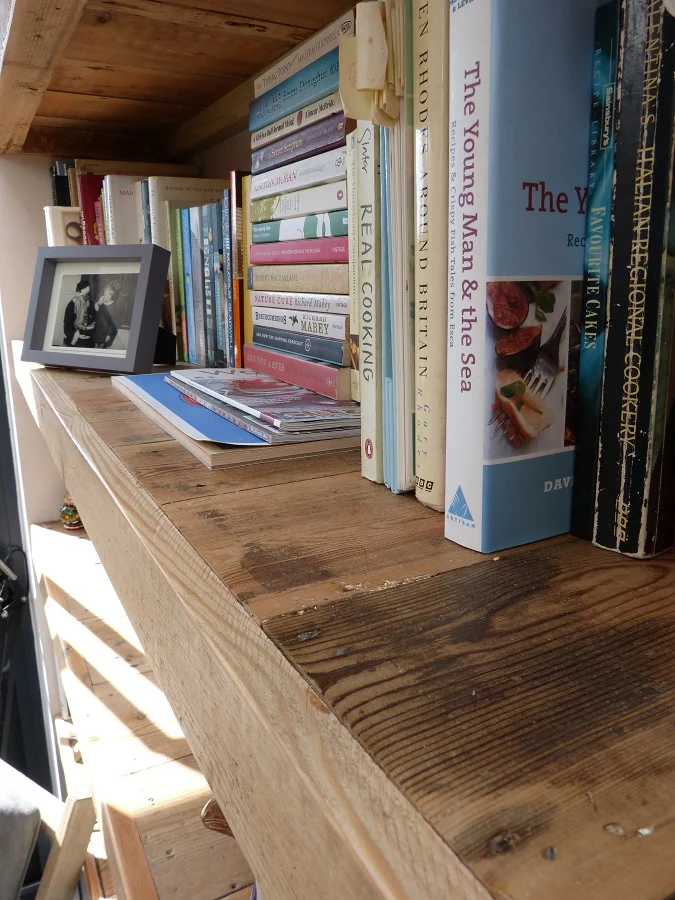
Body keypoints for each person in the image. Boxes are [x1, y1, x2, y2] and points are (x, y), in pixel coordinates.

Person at [63, 280, 96, 347]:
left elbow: (95, 317)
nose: (87, 296)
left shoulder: (90, 303)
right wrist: (77, 335)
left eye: (88, 293)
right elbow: (67, 327)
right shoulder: (71, 306)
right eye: (85, 294)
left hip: (87, 336)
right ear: (79, 293)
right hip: (74, 338)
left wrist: (92, 324)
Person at [93, 279, 119, 349]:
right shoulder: (103, 304)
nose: (103, 296)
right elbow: (96, 309)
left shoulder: (112, 307)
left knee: (101, 349)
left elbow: (113, 323)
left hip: (106, 333)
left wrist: (109, 335)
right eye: (103, 294)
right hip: (99, 330)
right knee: (95, 347)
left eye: (105, 294)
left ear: (111, 296)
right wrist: (99, 302)